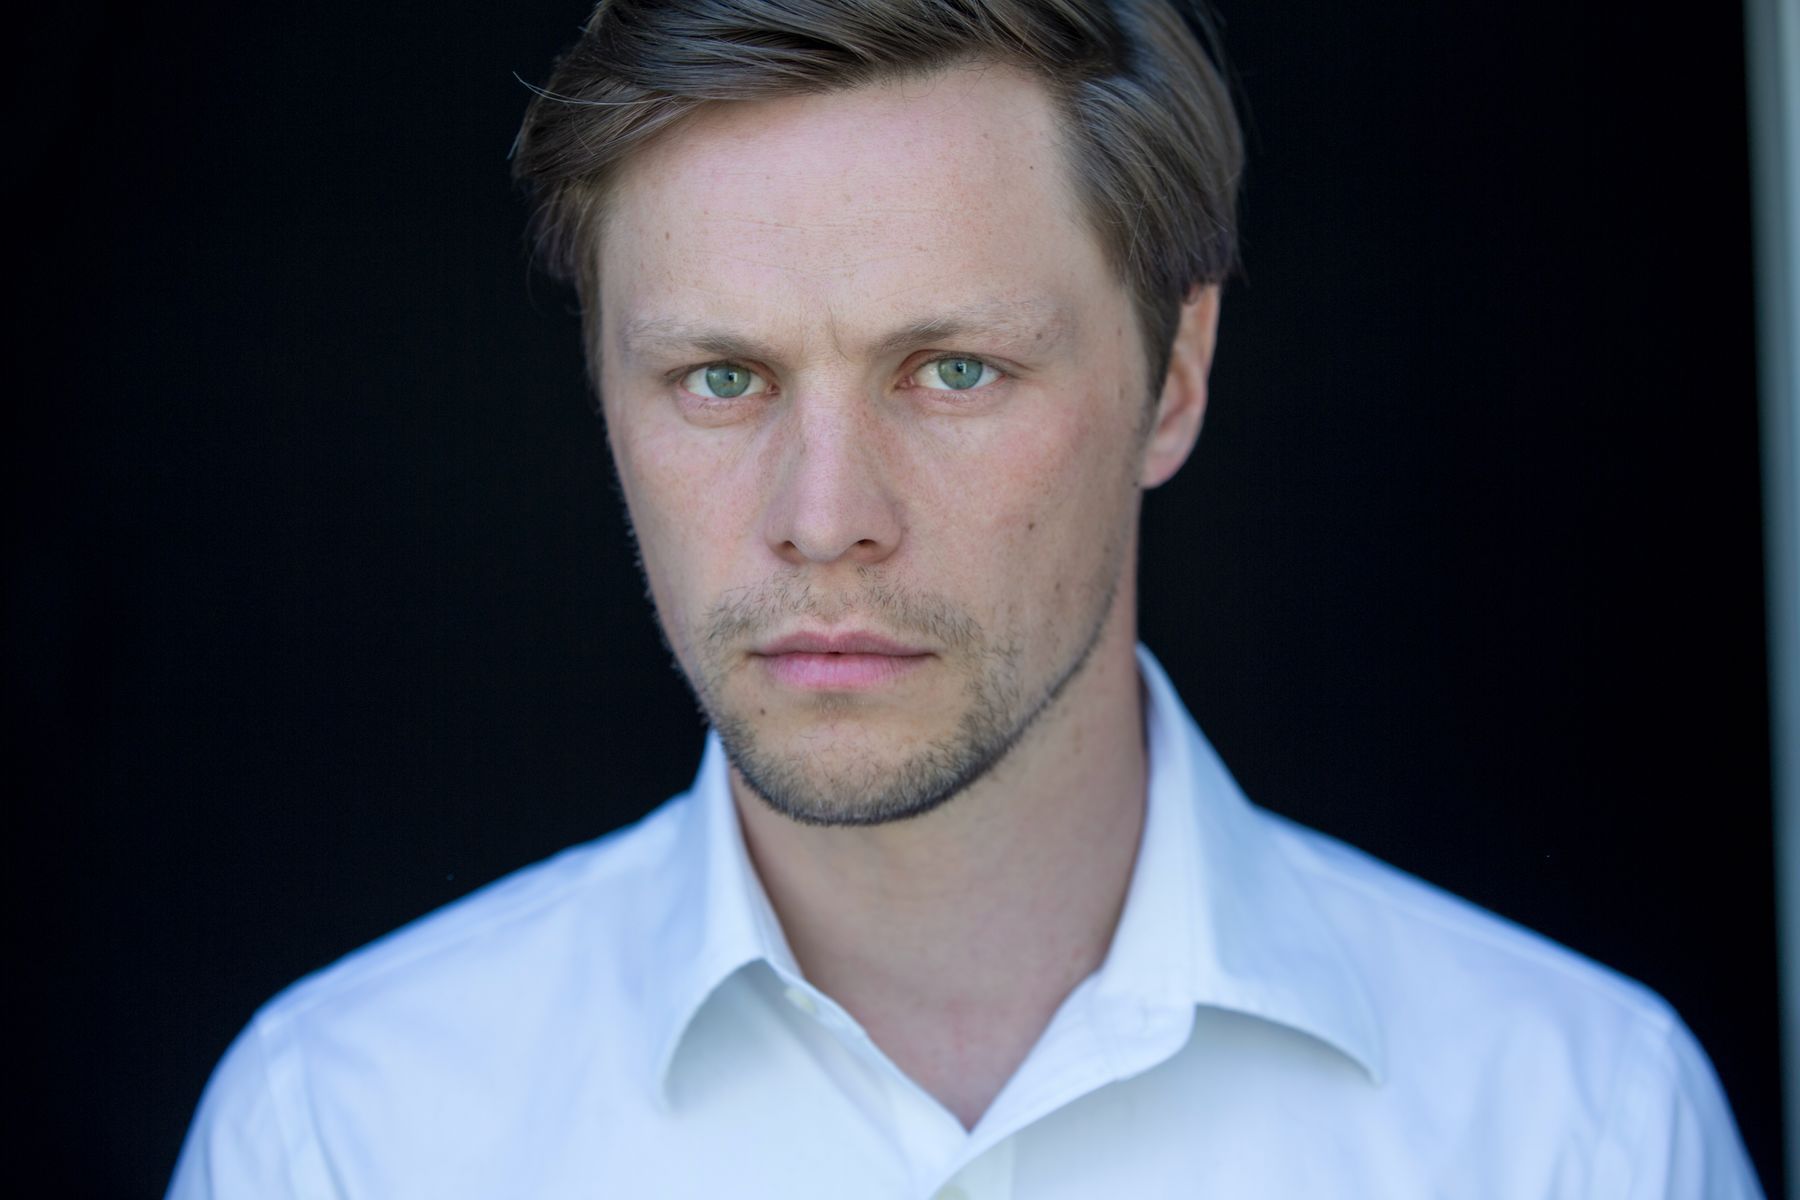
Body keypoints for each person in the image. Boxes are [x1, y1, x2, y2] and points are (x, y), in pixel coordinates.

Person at [167, 1, 1765, 1196]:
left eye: (952, 371)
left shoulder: (1574, 1130)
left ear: (1175, 375)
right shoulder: (348, 1137)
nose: (824, 521)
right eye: (721, 378)